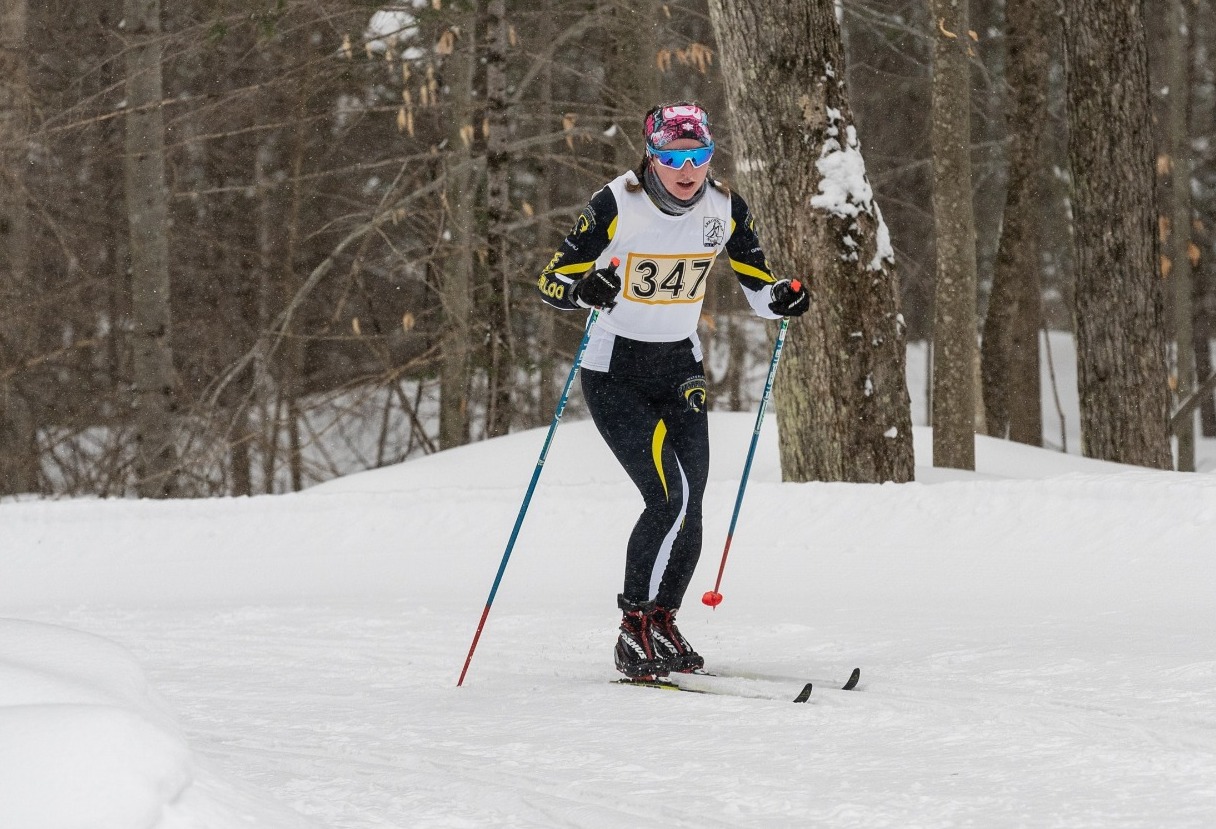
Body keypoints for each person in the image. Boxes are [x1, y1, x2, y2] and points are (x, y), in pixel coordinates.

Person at [537, 101, 810, 680]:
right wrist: (586, 288)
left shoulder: (724, 207)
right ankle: (630, 628)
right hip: (615, 369)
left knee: (692, 506)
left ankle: (662, 617)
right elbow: (551, 279)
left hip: (679, 366)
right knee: (668, 498)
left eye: (697, 157)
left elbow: (758, 286)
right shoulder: (618, 202)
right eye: (671, 157)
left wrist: (782, 298)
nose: (686, 170)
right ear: (651, 156)